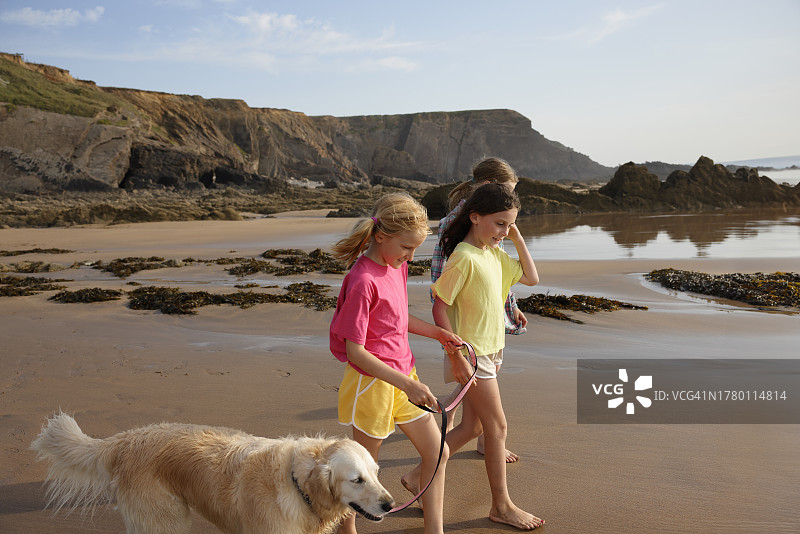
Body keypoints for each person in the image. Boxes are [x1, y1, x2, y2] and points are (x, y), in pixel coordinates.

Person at [410, 182, 545, 530]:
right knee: (496, 428)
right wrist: (455, 352)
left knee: (471, 427)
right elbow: (440, 306)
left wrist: (514, 237)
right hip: (474, 356)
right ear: (474, 216)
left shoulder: (493, 254)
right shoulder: (464, 257)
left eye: (509, 224)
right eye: (499, 223)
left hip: (492, 351)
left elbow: (531, 277)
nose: (504, 230)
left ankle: (416, 477)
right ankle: (501, 505)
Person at [329, 193, 462, 534]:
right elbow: (356, 351)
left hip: (405, 377)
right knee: (362, 471)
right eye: (407, 247)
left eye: (415, 249)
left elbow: (397, 319)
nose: (411, 256)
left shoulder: (396, 266)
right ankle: (347, 531)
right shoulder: (362, 282)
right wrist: (408, 385)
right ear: (380, 236)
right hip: (373, 385)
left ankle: (435, 529)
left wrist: (437, 333)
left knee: (439, 452)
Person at [431, 156, 527, 463]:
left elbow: (494, 272)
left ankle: (482, 440)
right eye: (505, 191)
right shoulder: (463, 227)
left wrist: (510, 305)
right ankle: (463, 438)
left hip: (486, 319)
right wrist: (453, 347)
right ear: (487, 189)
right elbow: (460, 279)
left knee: (481, 404)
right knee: (484, 404)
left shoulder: (492, 226)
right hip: (466, 317)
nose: (505, 229)